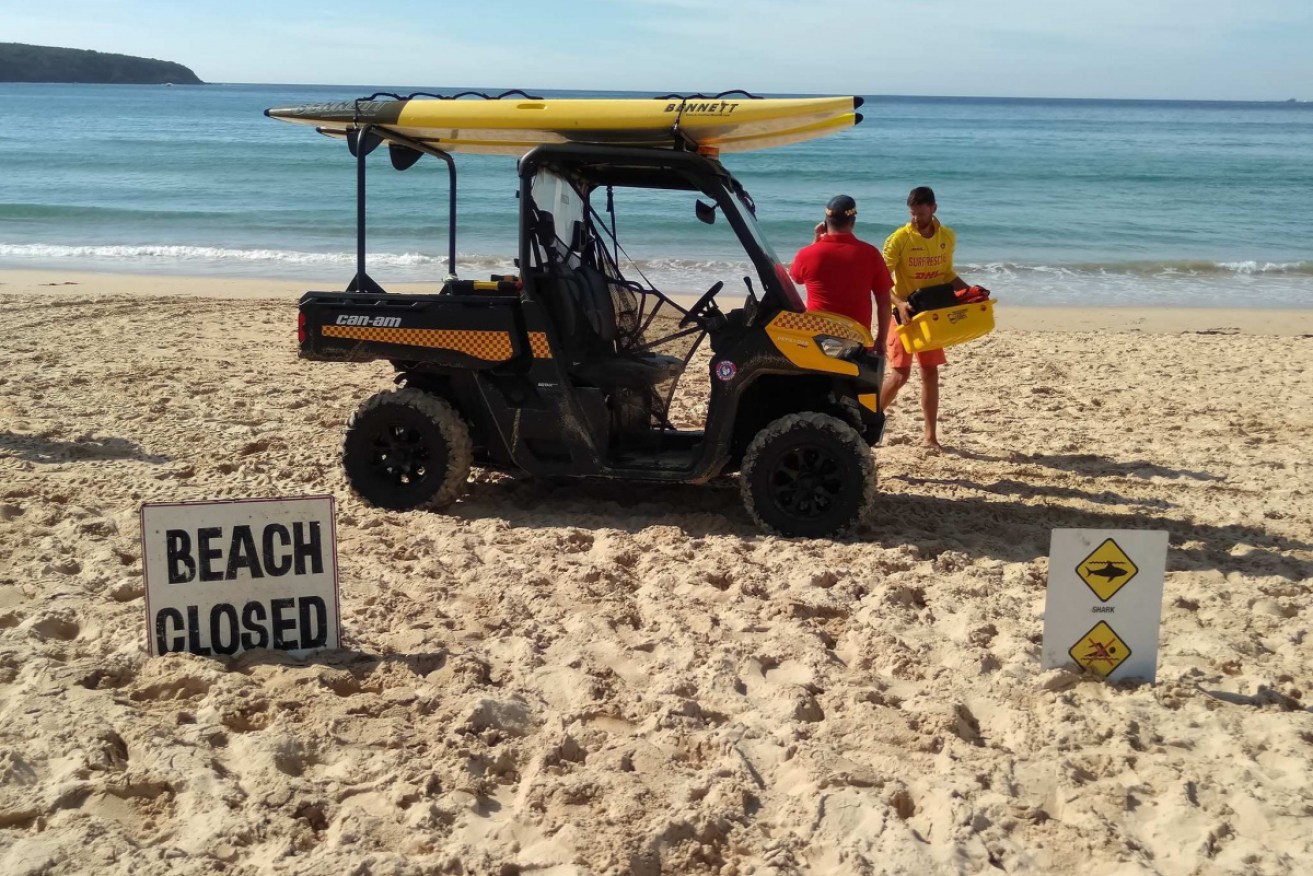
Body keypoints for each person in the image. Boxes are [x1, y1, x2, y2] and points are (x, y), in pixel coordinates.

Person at [879, 186, 969, 451]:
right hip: (903, 313)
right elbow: (882, 280)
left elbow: (947, 274)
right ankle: (867, 422)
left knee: (930, 372)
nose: (916, 219)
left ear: (933, 209)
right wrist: (900, 303)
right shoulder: (898, 239)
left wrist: (971, 293)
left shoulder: (947, 237)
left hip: (931, 314)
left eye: (920, 213)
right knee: (899, 375)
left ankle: (930, 437)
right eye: (912, 213)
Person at [789, 194, 893, 352]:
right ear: (852, 222)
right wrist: (881, 339)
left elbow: (796, 278)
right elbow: (884, 301)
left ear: (825, 222)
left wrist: (816, 239)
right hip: (856, 342)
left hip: (818, 342)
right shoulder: (870, 254)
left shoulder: (807, 254)